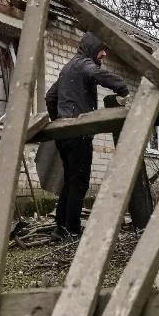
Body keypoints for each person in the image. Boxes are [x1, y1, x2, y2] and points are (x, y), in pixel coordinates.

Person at [45, 33, 130, 240]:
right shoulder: (84, 64)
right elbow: (96, 74)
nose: (104, 54)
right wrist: (121, 87)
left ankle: (60, 228)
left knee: (70, 181)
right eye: (101, 49)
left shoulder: (67, 69)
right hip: (79, 132)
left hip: (63, 133)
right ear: (92, 48)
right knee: (79, 182)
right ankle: (73, 230)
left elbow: (50, 97)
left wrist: (59, 122)